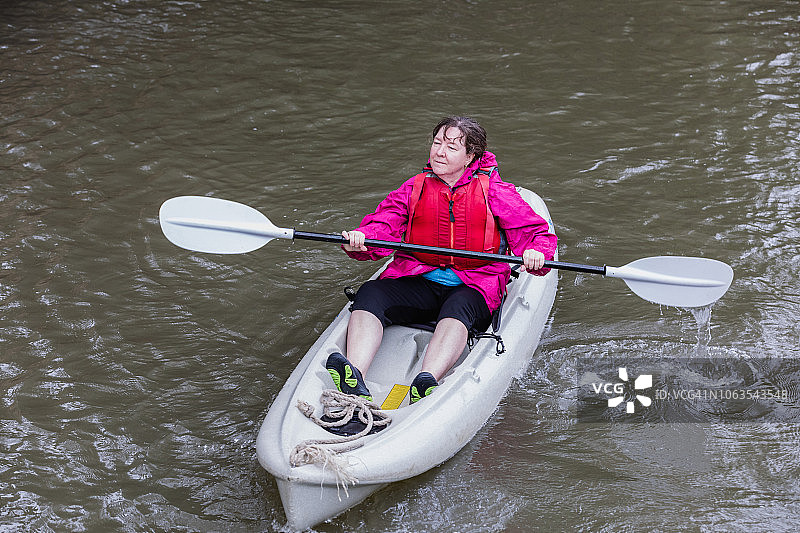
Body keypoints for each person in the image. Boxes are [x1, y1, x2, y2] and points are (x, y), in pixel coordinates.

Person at [325, 116, 557, 404]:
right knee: (371, 292)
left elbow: (536, 234)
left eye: (451, 147)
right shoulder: (414, 188)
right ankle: (354, 372)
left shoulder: (495, 192)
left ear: (470, 156)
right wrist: (362, 238)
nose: (440, 152)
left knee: (458, 307)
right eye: (437, 143)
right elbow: (383, 226)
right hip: (419, 279)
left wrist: (537, 253)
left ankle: (428, 378)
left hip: (474, 285)